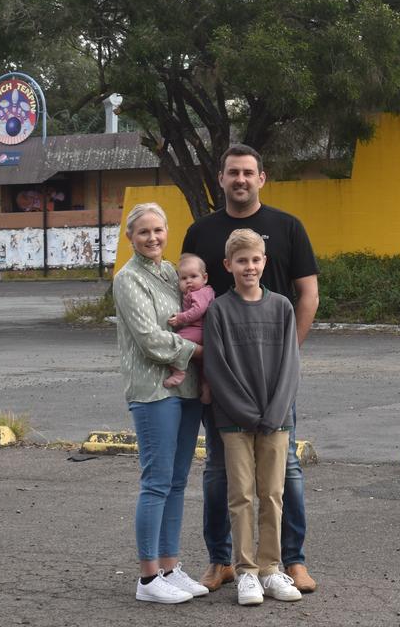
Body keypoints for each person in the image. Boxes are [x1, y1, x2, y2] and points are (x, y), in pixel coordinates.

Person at [182, 144, 320, 594]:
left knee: (286, 474)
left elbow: (308, 296)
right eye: (232, 173)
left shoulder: (288, 227)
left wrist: (287, 359)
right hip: (221, 378)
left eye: (248, 172)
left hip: (275, 379)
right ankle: (223, 561)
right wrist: (204, 371)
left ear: (262, 177)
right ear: (220, 179)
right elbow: (186, 299)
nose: (240, 180)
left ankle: (289, 561)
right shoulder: (200, 232)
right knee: (221, 473)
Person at [112, 202, 210, 604]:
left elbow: (196, 308)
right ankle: (149, 579)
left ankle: (170, 566)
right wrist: (202, 352)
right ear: (130, 237)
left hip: (185, 390)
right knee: (156, 482)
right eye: (143, 232)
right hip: (152, 390)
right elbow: (151, 339)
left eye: (158, 230)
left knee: (177, 481)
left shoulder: (172, 272)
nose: (152, 238)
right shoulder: (128, 278)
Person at [203, 228, 304, 605]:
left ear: (265, 262)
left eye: (255, 259)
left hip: (276, 420)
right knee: (241, 495)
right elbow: (217, 367)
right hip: (234, 422)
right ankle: (245, 571)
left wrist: (275, 412)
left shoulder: (281, 307)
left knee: (273, 494)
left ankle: (270, 569)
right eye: (241, 260)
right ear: (228, 265)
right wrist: (247, 414)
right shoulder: (219, 311)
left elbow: (290, 366)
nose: (249, 266)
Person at [164, 253, 215, 397]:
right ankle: (206, 387)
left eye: (193, 276)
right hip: (202, 331)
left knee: (175, 342)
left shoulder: (200, 293)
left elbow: (197, 311)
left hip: (198, 330)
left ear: (204, 278)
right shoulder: (201, 291)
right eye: (184, 278)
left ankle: (178, 371)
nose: (189, 281)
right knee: (202, 365)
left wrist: (180, 318)